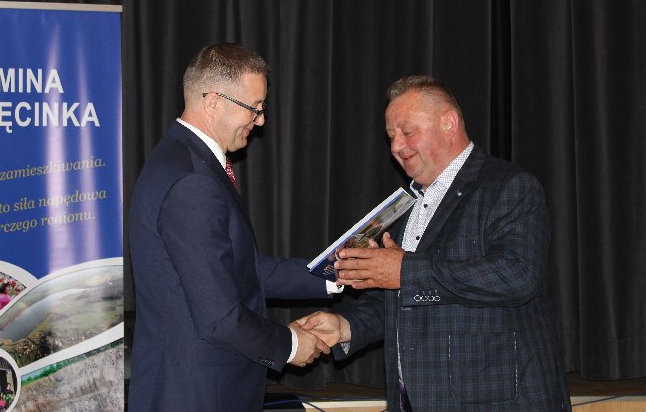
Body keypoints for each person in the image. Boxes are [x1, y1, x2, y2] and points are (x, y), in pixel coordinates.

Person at [298, 75, 571, 411]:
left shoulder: (509, 186)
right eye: (391, 136)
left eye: (407, 131)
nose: (396, 147)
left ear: (449, 124)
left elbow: (517, 275)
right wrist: (346, 326)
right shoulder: (405, 205)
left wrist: (404, 271)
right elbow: (404, 297)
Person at [129, 43, 337, 411]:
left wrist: (335, 271)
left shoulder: (182, 159)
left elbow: (239, 268)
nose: (261, 120)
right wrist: (290, 345)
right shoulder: (191, 179)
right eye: (254, 108)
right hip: (195, 396)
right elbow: (220, 319)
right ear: (213, 103)